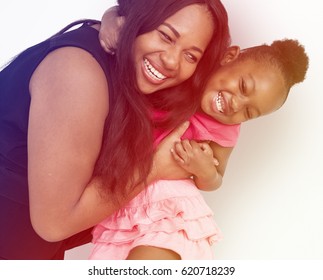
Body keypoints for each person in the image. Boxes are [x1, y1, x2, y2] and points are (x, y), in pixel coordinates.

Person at [0, 0, 231, 259]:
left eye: (191, 55)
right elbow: (54, 224)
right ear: (135, 19)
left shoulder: (132, 75)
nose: (171, 61)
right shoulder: (79, 75)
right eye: (165, 35)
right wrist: (153, 169)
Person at [88, 39, 309, 259]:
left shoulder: (225, 129)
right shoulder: (181, 74)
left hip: (171, 210)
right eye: (243, 87)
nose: (237, 105)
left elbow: (216, 178)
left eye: (249, 112)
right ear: (229, 56)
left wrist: (205, 170)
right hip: (119, 209)